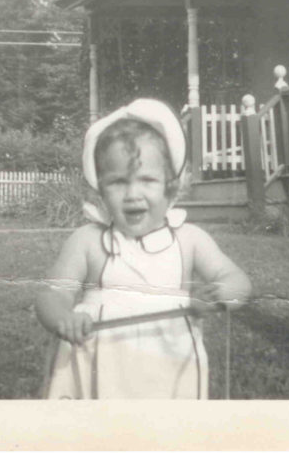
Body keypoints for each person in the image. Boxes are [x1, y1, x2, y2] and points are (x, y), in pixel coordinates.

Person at [36, 98, 251, 399]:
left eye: (148, 180)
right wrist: (63, 317)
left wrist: (221, 294)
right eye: (118, 182)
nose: (133, 194)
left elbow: (236, 278)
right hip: (97, 372)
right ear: (100, 189)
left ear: (171, 188)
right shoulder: (89, 241)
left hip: (169, 369)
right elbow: (52, 293)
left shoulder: (188, 239)